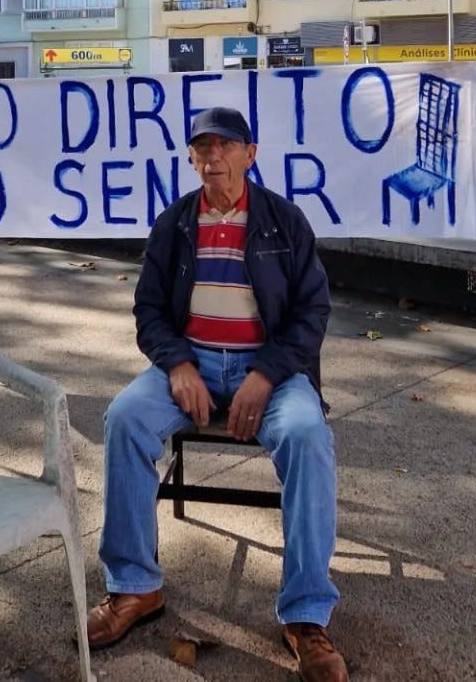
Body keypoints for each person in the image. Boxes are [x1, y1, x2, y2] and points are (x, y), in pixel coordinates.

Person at [88, 107, 347, 682]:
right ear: (190, 158)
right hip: (194, 363)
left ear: (250, 155)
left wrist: (268, 373)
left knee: (307, 436)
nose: (213, 157)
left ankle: (305, 615)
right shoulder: (175, 223)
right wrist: (177, 363)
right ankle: (135, 587)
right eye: (202, 147)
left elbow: (313, 311)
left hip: (270, 370)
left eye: (226, 146)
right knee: (124, 418)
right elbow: (149, 311)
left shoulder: (284, 221)